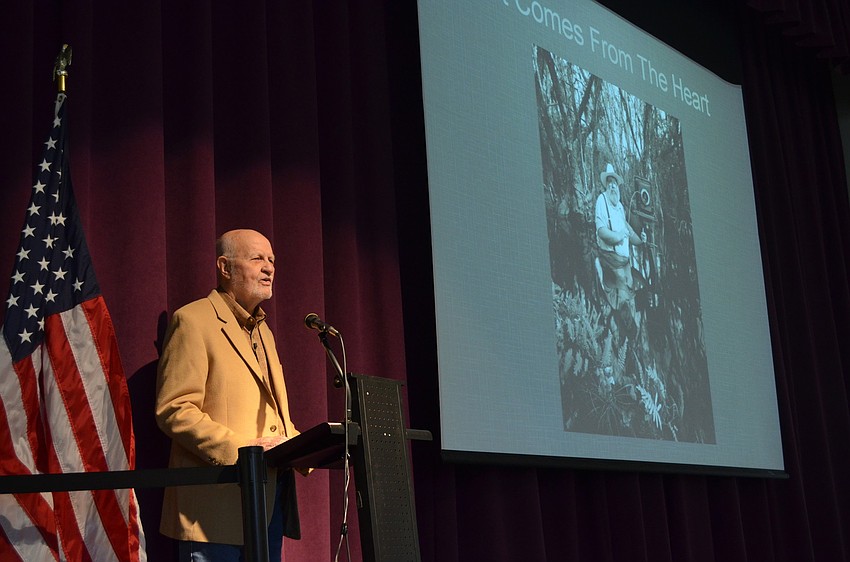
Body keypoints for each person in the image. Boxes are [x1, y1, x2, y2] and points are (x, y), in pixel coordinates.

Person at [155, 229, 301, 562]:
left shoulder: (265, 333)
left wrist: (303, 447)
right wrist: (244, 452)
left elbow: (277, 418)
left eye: (272, 260)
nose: (269, 268)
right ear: (225, 267)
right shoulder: (192, 321)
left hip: (266, 505)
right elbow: (174, 409)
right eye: (257, 258)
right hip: (214, 511)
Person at [594, 163, 646, 308]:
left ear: (618, 186)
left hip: (624, 260)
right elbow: (601, 231)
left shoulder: (620, 206)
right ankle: (603, 278)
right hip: (610, 257)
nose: (612, 186)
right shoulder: (602, 200)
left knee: (630, 286)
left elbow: (626, 228)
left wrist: (640, 240)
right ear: (606, 186)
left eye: (614, 183)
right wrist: (617, 236)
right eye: (609, 183)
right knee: (621, 289)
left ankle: (626, 315)